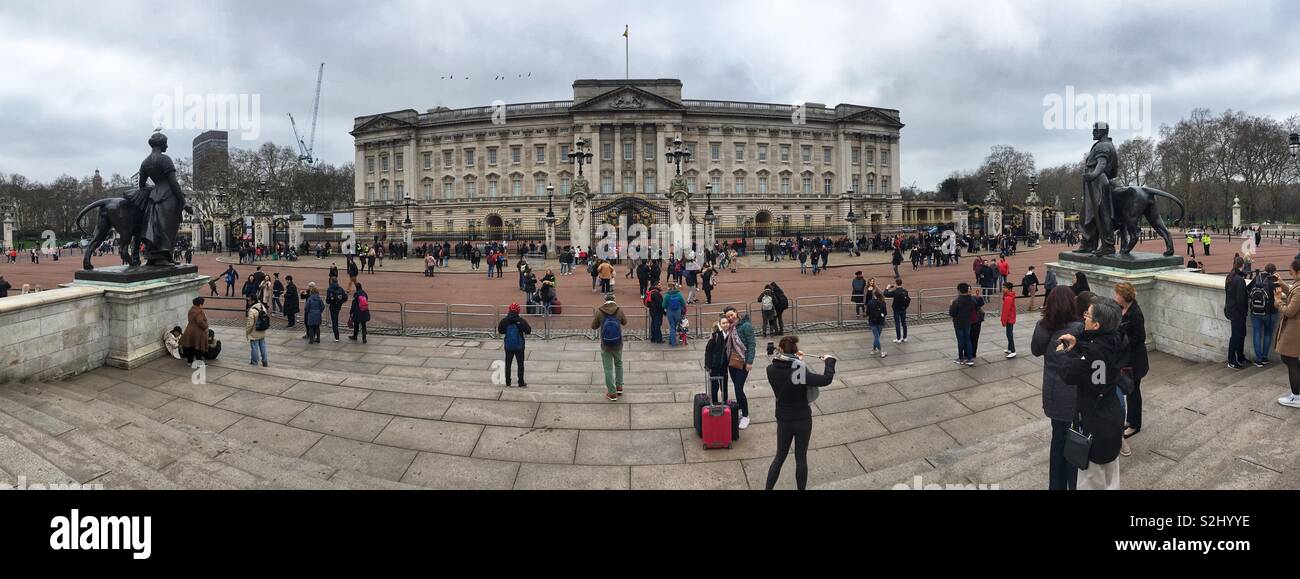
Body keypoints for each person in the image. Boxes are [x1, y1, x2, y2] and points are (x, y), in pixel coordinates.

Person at [1054, 297, 1128, 490]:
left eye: (1088, 314)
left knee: (1092, 480)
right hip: (1113, 418)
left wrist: (1063, 353)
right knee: (1111, 476)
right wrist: (1079, 345)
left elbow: (1071, 374)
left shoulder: (1096, 353)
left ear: (1096, 324)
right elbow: (1099, 362)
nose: (1084, 317)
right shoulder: (1117, 339)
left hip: (1096, 425)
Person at [765, 335, 836, 490]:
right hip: (802, 418)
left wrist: (797, 362)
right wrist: (830, 362)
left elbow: (790, 376)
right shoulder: (799, 370)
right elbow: (825, 379)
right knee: (801, 458)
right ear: (795, 351)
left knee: (779, 457)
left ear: (781, 350)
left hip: (784, 419)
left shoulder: (770, 369)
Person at [1032, 286, 1082, 490]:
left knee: (1058, 439)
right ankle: (1074, 484)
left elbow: (1036, 350)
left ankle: (1056, 485)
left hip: (1052, 392)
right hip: (1073, 395)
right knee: (1074, 443)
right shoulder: (1078, 328)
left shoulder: (1042, 326)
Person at [1113, 281, 1148, 457]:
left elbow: (1140, 338)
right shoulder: (1122, 309)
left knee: (1134, 391)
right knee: (1131, 391)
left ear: (1124, 296)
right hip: (1127, 359)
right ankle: (1131, 420)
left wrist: (1124, 341)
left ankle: (1135, 424)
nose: (1114, 296)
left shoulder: (1135, 313)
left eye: (1117, 294)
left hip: (1136, 360)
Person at [1272, 258, 1300, 408]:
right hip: (1294, 329)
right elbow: (1294, 295)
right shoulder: (1298, 285)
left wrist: (1278, 300)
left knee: (1290, 359)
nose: (1290, 273)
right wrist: (1282, 283)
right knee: (1291, 359)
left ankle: (1296, 397)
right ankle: (1297, 393)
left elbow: (1289, 311)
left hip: (1294, 330)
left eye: (1292, 272)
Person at [724, 306, 756, 429]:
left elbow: (752, 344)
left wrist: (749, 362)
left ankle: (746, 416)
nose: (730, 317)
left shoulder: (746, 326)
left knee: (738, 389)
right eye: (728, 316)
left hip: (742, 361)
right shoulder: (730, 326)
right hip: (732, 362)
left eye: (731, 315)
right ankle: (741, 410)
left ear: (736, 313)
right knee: (737, 388)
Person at [591, 293, 627, 401]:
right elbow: (625, 322)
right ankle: (619, 386)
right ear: (614, 299)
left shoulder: (600, 311)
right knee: (619, 364)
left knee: (608, 368)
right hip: (617, 343)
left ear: (605, 300)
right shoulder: (619, 310)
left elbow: (593, 326)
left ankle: (611, 393)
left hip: (605, 344)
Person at [1247, 264, 1278, 367]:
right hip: (1270, 312)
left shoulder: (1258, 278)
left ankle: (1258, 359)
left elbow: (1247, 290)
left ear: (1264, 270)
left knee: (1257, 334)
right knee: (1268, 334)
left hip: (1256, 311)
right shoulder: (1275, 280)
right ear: (1274, 271)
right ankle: (1264, 357)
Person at [498, 303, 532, 388]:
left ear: (509, 310)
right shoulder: (521, 321)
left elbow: (500, 330)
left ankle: (508, 382)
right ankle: (521, 382)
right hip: (519, 345)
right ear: (518, 311)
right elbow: (528, 330)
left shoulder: (504, 321)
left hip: (508, 346)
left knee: (508, 364)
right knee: (520, 364)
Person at [1225, 256, 1249, 369]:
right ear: (1242, 265)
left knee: (1239, 335)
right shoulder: (1239, 280)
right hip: (1238, 313)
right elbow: (1240, 299)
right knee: (1236, 336)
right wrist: (1243, 312)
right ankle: (1232, 360)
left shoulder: (1230, 276)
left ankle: (1240, 357)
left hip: (1231, 310)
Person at [704, 314, 732, 405]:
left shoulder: (730, 335)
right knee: (714, 387)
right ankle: (714, 404)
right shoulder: (715, 335)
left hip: (724, 366)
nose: (726, 325)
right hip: (714, 365)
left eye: (727, 323)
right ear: (720, 324)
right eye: (723, 323)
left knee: (724, 387)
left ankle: (724, 404)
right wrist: (707, 364)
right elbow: (708, 350)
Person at [949, 282, 978, 366]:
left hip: (958, 323)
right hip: (968, 322)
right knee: (968, 340)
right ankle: (970, 359)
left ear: (959, 290)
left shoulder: (956, 301)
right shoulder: (971, 299)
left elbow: (952, 313)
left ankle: (961, 358)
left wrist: (951, 305)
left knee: (960, 341)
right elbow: (975, 308)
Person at [180, 297, 208, 364]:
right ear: (200, 304)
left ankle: (190, 361)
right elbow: (200, 322)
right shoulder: (198, 311)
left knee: (190, 347)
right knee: (198, 347)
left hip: (189, 330)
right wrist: (205, 326)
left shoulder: (191, 310)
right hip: (197, 332)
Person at [246, 295, 270, 367]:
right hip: (262, 330)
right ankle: (265, 361)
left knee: (254, 347)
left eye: (249, 300)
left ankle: (254, 361)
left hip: (254, 332)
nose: (248, 302)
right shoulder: (262, 306)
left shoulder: (252, 310)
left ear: (252, 301)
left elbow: (250, 324)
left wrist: (247, 332)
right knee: (263, 347)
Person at [884, 278, 910, 343]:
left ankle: (898, 338)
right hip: (903, 308)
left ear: (896, 283)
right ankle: (905, 337)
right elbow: (908, 299)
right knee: (904, 323)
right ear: (901, 283)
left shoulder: (895, 291)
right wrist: (905, 307)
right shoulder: (905, 291)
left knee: (897, 323)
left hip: (896, 309)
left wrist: (887, 288)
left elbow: (886, 294)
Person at [866, 288, 888, 358]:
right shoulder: (883, 302)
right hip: (880, 321)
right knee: (877, 337)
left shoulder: (870, 302)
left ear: (874, 295)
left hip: (872, 321)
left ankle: (874, 349)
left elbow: (867, 313)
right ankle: (881, 352)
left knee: (876, 337)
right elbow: (885, 313)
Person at [325, 278, 348, 342]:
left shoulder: (330, 289)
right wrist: (340, 302)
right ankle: (336, 333)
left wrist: (330, 301)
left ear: (331, 281)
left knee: (334, 320)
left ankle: (336, 335)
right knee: (336, 318)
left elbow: (328, 300)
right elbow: (345, 297)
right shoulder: (340, 288)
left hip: (332, 306)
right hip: (338, 306)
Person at [1001, 282, 1018, 358]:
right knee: (1009, 333)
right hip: (1010, 318)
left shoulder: (1008, 298)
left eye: (1005, 288)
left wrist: (1003, 321)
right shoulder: (1009, 296)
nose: (1003, 289)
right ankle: (1009, 349)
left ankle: (1013, 351)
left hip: (1009, 319)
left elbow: (1005, 311)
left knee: (1009, 334)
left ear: (1009, 289)